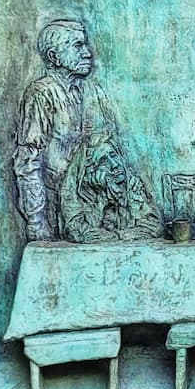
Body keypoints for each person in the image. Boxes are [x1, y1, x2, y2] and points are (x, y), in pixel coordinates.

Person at [12, 18, 160, 241]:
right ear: (54, 57)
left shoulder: (93, 90)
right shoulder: (42, 93)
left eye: (85, 44)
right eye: (77, 46)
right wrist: (36, 219)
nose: (88, 53)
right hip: (57, 207)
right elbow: (29, 159)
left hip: (97, 207)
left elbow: (113, 146)